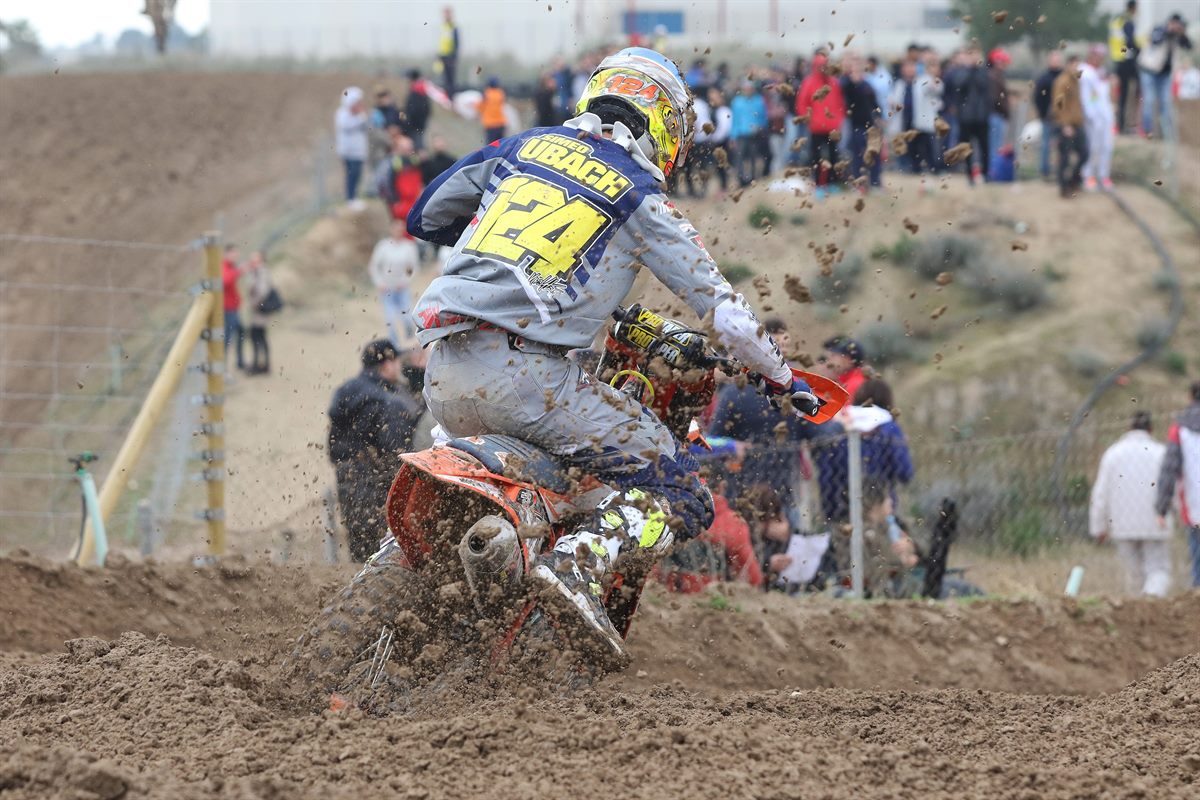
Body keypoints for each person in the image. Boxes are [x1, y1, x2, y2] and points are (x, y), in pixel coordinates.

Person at [408, 47, 821, 659]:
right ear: (666, 126)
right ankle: (579, 562)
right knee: (685, 492)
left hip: (443, 371)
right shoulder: (642, 197)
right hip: (530, 380)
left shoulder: (519, 148)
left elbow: (425, 216)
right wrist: (783, 378)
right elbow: (724, 314)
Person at [328, 339, 425, 562]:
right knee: (380, 549)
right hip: (377, 481)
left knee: (359, 543)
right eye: (397, 362)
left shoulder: (347, 390)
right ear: (387, 365)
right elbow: (397, 452)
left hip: (347, 477)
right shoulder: (389, 402)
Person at [1090, 412, 1171, 596]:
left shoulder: (1112, 454)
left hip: (1121, 523)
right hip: (1155, 522)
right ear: (1151, 429)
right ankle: (1153, 601)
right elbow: (1169, 488)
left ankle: (1137, 613)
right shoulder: (1160, 453)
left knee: (1134, 574)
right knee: (1158, 570)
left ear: (1129, 428)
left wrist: (1098, 527)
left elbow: (1100, 494)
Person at [1156, 381, 1200, 588]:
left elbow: (1169, 470)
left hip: (1195, 505)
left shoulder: (1180, 429)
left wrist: (1161, 508)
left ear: (1190, 398)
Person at [795, 53, 846, 191]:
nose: (823, 68)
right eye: (820, 66)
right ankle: (818, 184)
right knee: (816, 157)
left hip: (832, 127)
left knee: (834, 155)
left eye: (825, 66)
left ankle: (833, 183)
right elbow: (802, 104)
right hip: (816, 127)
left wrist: (839, 119)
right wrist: (809, 119)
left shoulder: (833, 82)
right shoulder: (809, 82)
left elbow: (840, 103)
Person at [1139, 12, 1192, 140]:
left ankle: (1166, 135)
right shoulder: (1158, 29)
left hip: (1165, 74)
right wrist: (1168, 31)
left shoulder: (1177, 36)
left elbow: (1189, 46)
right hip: (1149, 71)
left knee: (1166, 103)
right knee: (1149, 101)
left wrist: (1182, 33)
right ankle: (1147, 132)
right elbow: (1155, 40)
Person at [368, 218, 421, 346]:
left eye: (400, 228)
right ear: (391, 229)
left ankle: (410, 343)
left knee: (407, 317)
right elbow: (374, 266)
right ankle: (395, 346)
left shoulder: (409, 247)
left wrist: (405, 281)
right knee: (390, 319)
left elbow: (413, 267)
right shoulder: (383, 246)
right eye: (396, 228)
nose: (398, 231)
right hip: (386, 289)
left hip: (402, 288)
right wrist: (379, 283)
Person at [842, 53, 883, 189]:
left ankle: (876, 182)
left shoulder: (867, 85)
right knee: (858, 156)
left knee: (874, 155)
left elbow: (875, 104)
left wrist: (879, 117)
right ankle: (859, 184)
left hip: (870, 126)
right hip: (855, 126)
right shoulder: (847, 84)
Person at [1052, 55, 1089, 199]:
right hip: (1066, 125)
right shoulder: (1062, 81)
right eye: (1074, 65)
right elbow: (1058, 105)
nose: (1076, 68)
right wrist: (1065, 124)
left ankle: (1074, 181)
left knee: (1085, 153)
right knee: (1065, 157)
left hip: (1077, 123)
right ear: (1068, 65)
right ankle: (1064, 187)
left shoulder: (1076, 82)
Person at [1080, 44, 1116, 191]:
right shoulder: (1085, 72)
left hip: (1105, 116)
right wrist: (1091, 115)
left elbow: (1105, 96)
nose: (1099, 59)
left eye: (1101, 56)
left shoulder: (1101, 72)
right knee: (1092, 147)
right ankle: (1088, 176)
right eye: (1097, 55)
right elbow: (1086, 97)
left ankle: (1104, 175)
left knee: (1106, 146)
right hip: (1092, 117)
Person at [955, 46, 992, 186]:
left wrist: (976, 69)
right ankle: (969, 175)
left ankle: (985, 174)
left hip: (982, 116)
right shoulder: (961, 72)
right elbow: (959, 84)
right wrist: (970, 69)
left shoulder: (984, 72)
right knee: (966, 147)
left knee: (984, 147)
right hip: (966, 117)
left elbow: (984, 85)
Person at [1110, 0, 1141, 133]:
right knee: (1138, 90)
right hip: (1127, 60)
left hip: (1118, 60)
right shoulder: (1128, 21)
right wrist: (1139, 51)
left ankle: (1121, 125)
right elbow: (1129, 42)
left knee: (1122, 95)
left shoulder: (1118, 20)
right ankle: (1132, 124)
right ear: (1133, 8)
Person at [1033, 51, 1064, 180]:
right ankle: (1044, 171)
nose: (1056, 61)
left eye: (1058, 59)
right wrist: (1043, 112)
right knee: (1046, 145)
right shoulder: (1044, 78)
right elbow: (1037, 97)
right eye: (1054, 59)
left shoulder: (1064, 77)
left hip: (1062, 118)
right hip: (1047, 117)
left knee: (1062, 146)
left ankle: (1060, 171)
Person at [335, 86, 369, 204]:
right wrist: (360, 117)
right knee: (351, 175)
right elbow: (346, 126)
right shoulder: (342, 113)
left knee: (357, 175)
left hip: (358, 151)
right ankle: (350, 198)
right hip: (348, 151)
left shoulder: (360, 115)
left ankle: (354, 197)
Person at [244, 251, 276, 375]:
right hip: (258, 311)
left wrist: (254, 304)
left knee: (257, 336)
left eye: (255, 258)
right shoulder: (256, 272)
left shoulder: (261, 272)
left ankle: (259, 365)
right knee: (259, 336)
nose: (252, 260)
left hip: (260, 311)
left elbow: (262, 291)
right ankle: (261, 364)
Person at [730, 80, 767, 186]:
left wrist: (761, 128)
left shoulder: (759, 101)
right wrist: (733, 136)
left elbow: (763, 117)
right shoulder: (737, 102)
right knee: (739, 157)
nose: (748, 91)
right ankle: (741, 180)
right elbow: (734, 120)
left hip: (755, 134)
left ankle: (753, 178)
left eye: (750, 88)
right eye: (746, 88)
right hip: (741, 134)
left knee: (754, 156)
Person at [986, 48, 1012, 178]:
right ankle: (993, 172)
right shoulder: (994, 77)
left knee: (995, 146)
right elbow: (996, 99)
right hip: (996, 115)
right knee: (994, 147)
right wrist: (1006, 111)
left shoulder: (993, 75)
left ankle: (993, 171)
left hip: (995, 115)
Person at [220, 245, 245, 373]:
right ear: (227, 253)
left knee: (240, 332)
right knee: (227, 339)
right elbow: (225, 281)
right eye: (234, 253)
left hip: (233, 309)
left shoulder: (230, 267)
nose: (236, 256)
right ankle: (221, 369)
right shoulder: (224, 266)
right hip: (228, 309)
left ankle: (240, 362)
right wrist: (238, 271)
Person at [401, 70, 433, 151]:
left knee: (417, 150)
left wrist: (407, 123)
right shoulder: (421, 89)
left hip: (414, 127)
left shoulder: (415, 91)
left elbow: (412, 110)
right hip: (419, 126)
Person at [476, 77, 508, 143]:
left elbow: (480, 107)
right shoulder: (501, 93)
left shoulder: (486, 93)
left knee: (490, 146)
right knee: (501, 145)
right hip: (501, 123)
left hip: (490, 124)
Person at [437, 6, 459, 97]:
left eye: (447, 13)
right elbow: (443, 42)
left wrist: (453, 56)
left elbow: (457, 43)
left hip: (450, 56)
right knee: (445, 78)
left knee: (451, 79)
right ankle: (446, 97)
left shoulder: (453, 27)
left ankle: (451, 97)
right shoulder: (443, 26)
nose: (445, 15)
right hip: (443, 55)